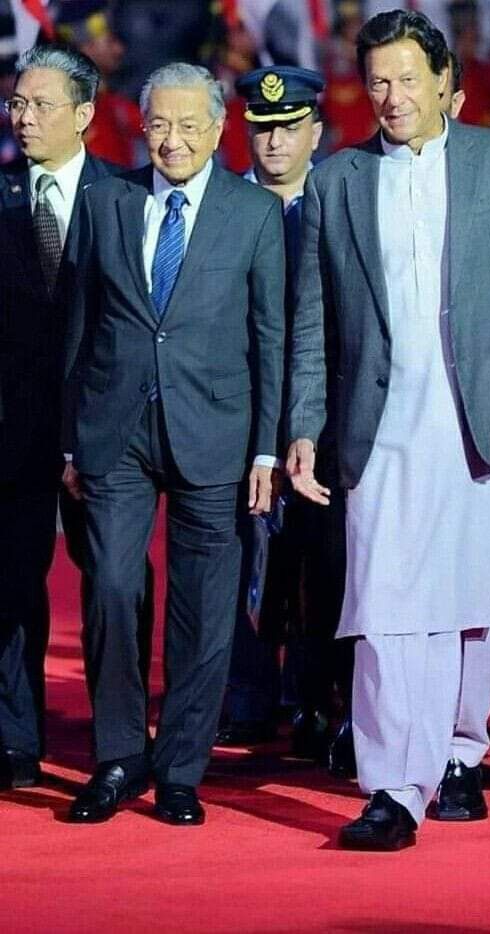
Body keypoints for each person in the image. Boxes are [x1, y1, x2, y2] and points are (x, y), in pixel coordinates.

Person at [287, 9, 490, 851]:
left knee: (474, 600)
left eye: (408, 78)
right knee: (380, 604)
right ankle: (390, 787)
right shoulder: (337, 182)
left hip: (483, 421)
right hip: (377, 429)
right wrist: (304, 426)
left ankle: (458, 752)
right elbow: (313, 322)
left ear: (446, 82)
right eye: (378, 80)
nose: (392, 96)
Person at [62, 63, 285, 825]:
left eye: (190, 126)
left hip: (215, 432)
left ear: (218, 131)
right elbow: (79, 323)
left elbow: (270, 338)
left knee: (203, 606)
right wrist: (69, 440)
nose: (173, 140)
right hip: (114, 430)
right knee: (111, 588)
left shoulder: (253, 214)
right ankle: (119, 756)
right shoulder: (107, 201)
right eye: (160, 124)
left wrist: (266, 451)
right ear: (141, 126)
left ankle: (181, 767)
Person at [219, 65, 354, 773]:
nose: (274, 142)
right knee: (235, 554)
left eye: (289, 128)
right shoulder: (219, 205)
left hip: (323, 417)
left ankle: (314, 696)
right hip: (234, 414)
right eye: (263, 129)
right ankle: (245, 693)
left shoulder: (342, 203)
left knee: (318, 559)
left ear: (316, 133)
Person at [0, 44, 127, 790]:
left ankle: (119, 738)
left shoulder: (124, 196)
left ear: (83, 114)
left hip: (102, 427)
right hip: (12, 426)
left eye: (40, 105)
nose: (23, 117)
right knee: (12, 581)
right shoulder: (2, 195)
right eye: (16, 103)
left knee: (113, 579)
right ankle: (16, 740)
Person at [54, 0, 144, 168]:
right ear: (86, 48)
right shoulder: (72, 109)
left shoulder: (112, 101)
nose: (119, 49)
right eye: (110, 41)